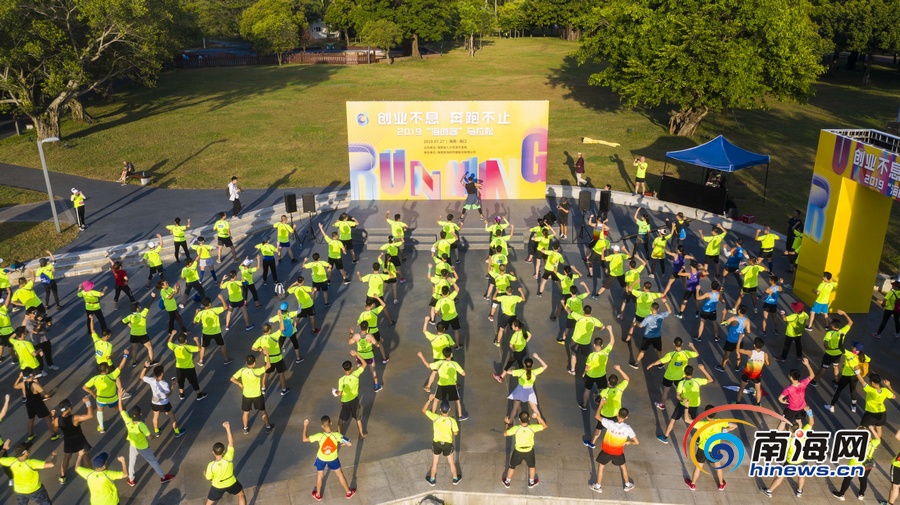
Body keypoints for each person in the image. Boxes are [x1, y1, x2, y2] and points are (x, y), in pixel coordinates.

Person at [118, 394, 176, 485]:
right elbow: (149, 437)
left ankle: (131, 479)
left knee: (132, 462)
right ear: (140, 414)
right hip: (143, 447)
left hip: (133, 445)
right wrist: (154, 436)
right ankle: (163, 477)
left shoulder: (128, 421)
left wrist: (120, 398)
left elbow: (121, 410)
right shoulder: (141, 425)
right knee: (153, 461)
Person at [657, 364, 714, 445]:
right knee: (696, 422)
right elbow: (710, 379)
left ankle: (665, 437)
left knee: (673, 419)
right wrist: (702, 369)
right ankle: (699, 438)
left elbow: (677, 395)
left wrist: (683, 400)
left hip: (683, 405)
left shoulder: (681, 383)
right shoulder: (697, 381)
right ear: (692, 372)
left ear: (684, 372)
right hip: (694, 405)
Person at [684, 405, 737, 491]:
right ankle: (721, 484)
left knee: (698, 467)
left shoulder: (702, 424)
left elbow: (687, 420)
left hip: (703, 448)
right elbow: (734, 426)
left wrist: (686, 407)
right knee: (718, 466)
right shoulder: (719, 422)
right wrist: (724, 430)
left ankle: (692, 484)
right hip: (715, 448)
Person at [303, 416, 356, 501]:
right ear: (331, 423)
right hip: (333, 459)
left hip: (321, 458)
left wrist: (305, 426)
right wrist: (344, 444)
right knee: (340, 475)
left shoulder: (319, 436)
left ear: (322, 426)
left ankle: (318, 495)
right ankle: (348, 492)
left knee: (320, 475)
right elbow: (349, 443)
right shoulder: (337, 435)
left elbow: (304, 439)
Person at [761, 414, 815, 498]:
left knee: (780, 477)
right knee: (802, 475)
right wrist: (809, 412)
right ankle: (799, 491)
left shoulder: (788, 439)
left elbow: (777, 432)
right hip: (803, 459)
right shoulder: (804, 433)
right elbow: (811, 422)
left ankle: (769, 491)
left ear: (789, 429)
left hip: (791, 462)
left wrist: (782, 422)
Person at [589, 408, 638, 494]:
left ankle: (598, 486)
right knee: (623, 467)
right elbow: (637, 442)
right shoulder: (628, 428)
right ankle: (627, 485)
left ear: (617, 415)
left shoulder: (610, 424)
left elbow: (597, 416)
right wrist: (629, 442)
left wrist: (601, 404)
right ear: (626, 417)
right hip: (618, 452)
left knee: (601, 466)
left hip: (606, 450)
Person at [645, 338, 699, 411]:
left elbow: (661, 361)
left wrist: (652, 364)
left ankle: (661, 404)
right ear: (682, 344)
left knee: (666, 391)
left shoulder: (671, 354)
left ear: (674, 344)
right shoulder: (686, 353)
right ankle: (684, 404)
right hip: (680, 376)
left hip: (669, 376)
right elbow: (697, 354)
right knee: (681, 391)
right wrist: (692, 346)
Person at [82, 355, 130, 434]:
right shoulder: (112, 376)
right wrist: (125, 355)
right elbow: (121, 366)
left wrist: (93, 393)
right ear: (107, 369)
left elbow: (85, 387)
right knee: (122, 409)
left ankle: (101, 427)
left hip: (101, 399)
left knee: (99, 410)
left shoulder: (95, 378)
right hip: (113, 399)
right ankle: (128, 423)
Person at [585, 365, 629, 449]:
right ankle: (612, 444)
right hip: (616, 414)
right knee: (613, 429)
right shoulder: (620, 388)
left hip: (604, 414)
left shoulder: (604, 392)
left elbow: (598, 401)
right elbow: (627, 379)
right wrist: (619, 369)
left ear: (608, 382)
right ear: (617, 382)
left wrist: (595, 396)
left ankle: (592, 443)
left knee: (598, 428)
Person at [51, 397, 93, 484]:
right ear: (69, 408)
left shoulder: (57, 419)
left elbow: (54, 429)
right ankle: (90, 474)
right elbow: (90, 415)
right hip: (79, 439)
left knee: (67, 456)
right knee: (85, 455)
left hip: (68, 440)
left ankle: (62, 476)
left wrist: (53, 417)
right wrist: (88, 402)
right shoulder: (75, 418)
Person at [229, 354, 275, 434]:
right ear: (254, 363)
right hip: (257, 395)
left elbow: (232, 379)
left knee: (246, 412)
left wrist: (239, 384)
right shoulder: (256, 371)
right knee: (263, 411)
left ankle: (245, 428)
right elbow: (268, 366)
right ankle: (268, 426)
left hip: (246, 395)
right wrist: (267, 355)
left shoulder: (242, 370)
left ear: (247, 362)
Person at [497, 355, 549, 425]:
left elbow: (508, 372)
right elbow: (545, 366)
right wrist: (537, 357)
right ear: (532, 365)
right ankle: (540, 422)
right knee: (535, 409)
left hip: (520, 391)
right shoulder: (534, 372)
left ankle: (510, 422)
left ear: (524, 364)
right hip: (530, 391)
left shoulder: (521, 372)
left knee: (515, 408)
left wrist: (508, 368)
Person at [831, 426, 879, 501]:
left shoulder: (854, 444)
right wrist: (872, 429)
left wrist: (856, 431)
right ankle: (861, 494)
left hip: (853, 464)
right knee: (863, 479)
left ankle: (841, 494)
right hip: (866, 465)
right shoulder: (872, 443)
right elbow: (878, 439)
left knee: (847, 479)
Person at [502, 411, 547, 489]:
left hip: (518, 451)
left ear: (519, 419)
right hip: (529, 451)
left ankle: (507, 482)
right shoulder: (532, 428)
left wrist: (506, 424)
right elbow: (545, 426)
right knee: (531, 466)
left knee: (512, 466)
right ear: (528, 418)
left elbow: (505, 433)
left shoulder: (516, 428)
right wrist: (537, 417)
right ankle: (531, 482)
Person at [205, 422, 246, 505]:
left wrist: (205, 473)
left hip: (217, 486)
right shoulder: (228, 457)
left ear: (213, 452)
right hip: (231, 482)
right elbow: (231, 442)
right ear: (224, 451)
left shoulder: (211, 465)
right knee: (241, 495)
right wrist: (227, 428)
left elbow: (208, 477)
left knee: (209, 503)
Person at [423, 393, 460, 486]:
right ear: (449, 409)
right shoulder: (452, 420)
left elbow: (424, 410)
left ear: (440, 409)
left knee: (435, 463)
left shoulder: (435, 417)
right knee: (451, 462)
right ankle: (455, 479)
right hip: (447, 444)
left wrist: (429, 400)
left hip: (437, 443)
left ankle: (432, 480)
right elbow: (456, 433)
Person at [419, 347, 467, 420]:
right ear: (451, 354)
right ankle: (460, 416)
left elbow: (428, 365)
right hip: (452, 385)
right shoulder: (454, 364)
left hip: (441, 385)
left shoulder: (440, 363)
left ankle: (433, 414)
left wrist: (421, 356)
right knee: (457, 401)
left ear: (444, 355)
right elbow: (463, 374)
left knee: (436, 400)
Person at [564, 305, 611, 375]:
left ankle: (573, 370)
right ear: (591, 312)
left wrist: (567, 306)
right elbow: (602, 327)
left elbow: (569, 311)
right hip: (586, 342)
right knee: (588, 357)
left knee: (573, 355)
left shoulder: (579, 317)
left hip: (575, 340)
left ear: (583, 311)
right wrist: (595, 329)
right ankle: (587, 371)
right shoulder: (594, 320)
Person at [15, 370, 61, 443]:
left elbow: (15, 386)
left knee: (31, 419)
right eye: (33, 373)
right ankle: (53, 435)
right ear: (31, 375)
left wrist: (19, 377)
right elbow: (46, 395)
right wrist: (53, 391)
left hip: (29, 404)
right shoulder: (35, 385)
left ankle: (30, 435)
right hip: (38, 404)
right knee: (47, 417)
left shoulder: (23, 384)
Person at [138, 364, 183, 437]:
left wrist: (145, 367)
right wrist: (173, 385)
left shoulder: (151, 380)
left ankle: (157, 431)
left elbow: (141, 376)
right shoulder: (164, 384)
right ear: (162, 373)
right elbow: (168, 394)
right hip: (164, 403)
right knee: (171, 416)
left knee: (155, 416)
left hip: (154, 402)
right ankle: (177, 432)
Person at [825, 341, 869, 414]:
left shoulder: (849, 354)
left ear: (855, 349)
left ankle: (832, 406)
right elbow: (869, 360)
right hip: (855, 376)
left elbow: (840, 347)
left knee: (838, 390)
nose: (852, 347)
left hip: (846, 376)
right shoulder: (863, 356)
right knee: (853, 390)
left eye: (853, 346)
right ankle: (853, 407)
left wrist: (841, 337)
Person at [813, 310, 852, 387]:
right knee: (835, 366)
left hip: (829, 354)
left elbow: (825, 343)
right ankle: (836, 382)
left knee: (823, 368)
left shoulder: (829, 333)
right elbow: (850, 322)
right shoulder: (843, 331)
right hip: (838, 353)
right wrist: (844, 313)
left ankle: (814, 381)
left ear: (833, 326)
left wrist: (827, 348)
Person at [193, 295, 234, 366]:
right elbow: (225, 307)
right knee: (222, 345)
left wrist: (196, 312)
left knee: (203, 346)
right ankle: (226, 359)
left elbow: (194, 322)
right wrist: (222, 298)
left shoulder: (201, 313)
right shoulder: (214, 310)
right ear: (209, 304)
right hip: (216, 332)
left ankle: (201, 361)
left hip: (206, 333)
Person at [167, 331, 208, 400]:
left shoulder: (175, 347)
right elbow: (199, 348)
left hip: (179, 367)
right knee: (194, 381)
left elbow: (169, 343)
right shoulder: (188, 347)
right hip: (189, 368)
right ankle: (199, 395)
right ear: (185, 341)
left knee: (180, 381)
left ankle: (182, 394)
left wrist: (172, 335)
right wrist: (196, 340)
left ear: (178, 341)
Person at [252, 323, 290, 396]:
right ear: (269, 330)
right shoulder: (274, 336)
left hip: (268, 360)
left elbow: (253, 348)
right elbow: (282, 328)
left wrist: (260, 350)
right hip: (278, 359)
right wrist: (280, 318)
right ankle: (283, 389)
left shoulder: (260, 339)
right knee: (281, 374)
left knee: (266, 374)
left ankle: (263, 388)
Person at [776, 358, 815, 430]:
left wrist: (784, 402)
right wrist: (807, 365)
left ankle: (777, 435)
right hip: (802, 407)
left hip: (791, 409)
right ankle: (799, 434)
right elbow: (812, 375)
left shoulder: (788, 389)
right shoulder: (803, 383)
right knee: (799, 421)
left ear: (791, 377)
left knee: (783, 421)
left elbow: (780, 398)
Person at [630, 302, 669, 368]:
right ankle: (660, 364)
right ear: (658, 309)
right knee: (658, 350)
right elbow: (669, 311)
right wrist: (665, 302)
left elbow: (640, 326)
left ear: (651, 308)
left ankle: (636, 363)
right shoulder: (661, 316)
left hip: (647, 337)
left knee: (642, 351)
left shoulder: (648, 318)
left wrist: (636, 322)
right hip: (657, 336)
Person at [856, 373, 894, 440]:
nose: (869, 382)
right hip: (882, 413)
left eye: (870, 381)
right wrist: (889, 386)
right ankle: (877, 442)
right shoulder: (885, 390)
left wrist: (857, 372)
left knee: (862, 428)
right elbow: (894, 396)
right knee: (878, 427)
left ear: (873, 382)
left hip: (871, 414)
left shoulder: (870, 390)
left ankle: (869, 442)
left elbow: (862, 381)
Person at [122, 299, 157, 368]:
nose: (139, 306)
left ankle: (134, 362)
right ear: (137, 308)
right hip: (142, 335)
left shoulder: (130, 316)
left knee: (134, 348)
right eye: (138, 306)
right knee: (149, 348)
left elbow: (122, 322)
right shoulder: (142, 314)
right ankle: (151, 362)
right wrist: (152, 298)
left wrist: (129, 324)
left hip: (133, 335)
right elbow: (148, 306)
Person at [335, 360, 367, 438]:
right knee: (358, 418)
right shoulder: (355, 374)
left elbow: (339, 393)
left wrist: (335, 391)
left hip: (345, 401)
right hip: (354, 400)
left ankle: (339, 434)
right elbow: (364, 364)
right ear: (352, 368)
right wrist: (356, 354)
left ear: (343, 368)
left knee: (341, 418)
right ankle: (361, 434)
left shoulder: (341, 380)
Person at [349, 323, 385, 391]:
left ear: (360, 327)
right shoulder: (370, 336)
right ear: (367, 327)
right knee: (373, 372)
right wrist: (380, 340)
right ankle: (376, 387)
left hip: (360, 357)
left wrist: (351, 333)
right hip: (369, 356)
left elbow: (349, 342)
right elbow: (377, 345)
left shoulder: (356, 336)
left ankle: (354, 386)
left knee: (358, 372)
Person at [715, 305, 751, 373]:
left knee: (727, 354)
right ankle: (737, 367)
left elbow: (723, 324)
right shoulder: (747, 320)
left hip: (730, 340)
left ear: (739, 310)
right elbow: (748, 331)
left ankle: (722, 367)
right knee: (738, 353)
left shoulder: (734, 318)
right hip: (739, 340)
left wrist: (724, 314)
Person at [734, 337, 769, 405]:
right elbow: (767, 363)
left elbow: (738, 350)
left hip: (747, 374)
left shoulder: (750, 352)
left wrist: (739, 339)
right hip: (757, 375)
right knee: (758, 389)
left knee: (741, 388)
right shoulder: (765, 354)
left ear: (754, 345)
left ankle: (737, 402)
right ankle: (758, 404)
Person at [357, 296, 392, 363]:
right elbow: (383, 305)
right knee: (380, 344)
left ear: (365, 304)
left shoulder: (362, 314)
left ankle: (363, 359)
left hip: (367, 331)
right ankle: (384, 359)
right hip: (375, 331)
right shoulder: (374, 311)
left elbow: (358, 323)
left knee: (367, 344)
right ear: (372, 305)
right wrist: (377, 298)